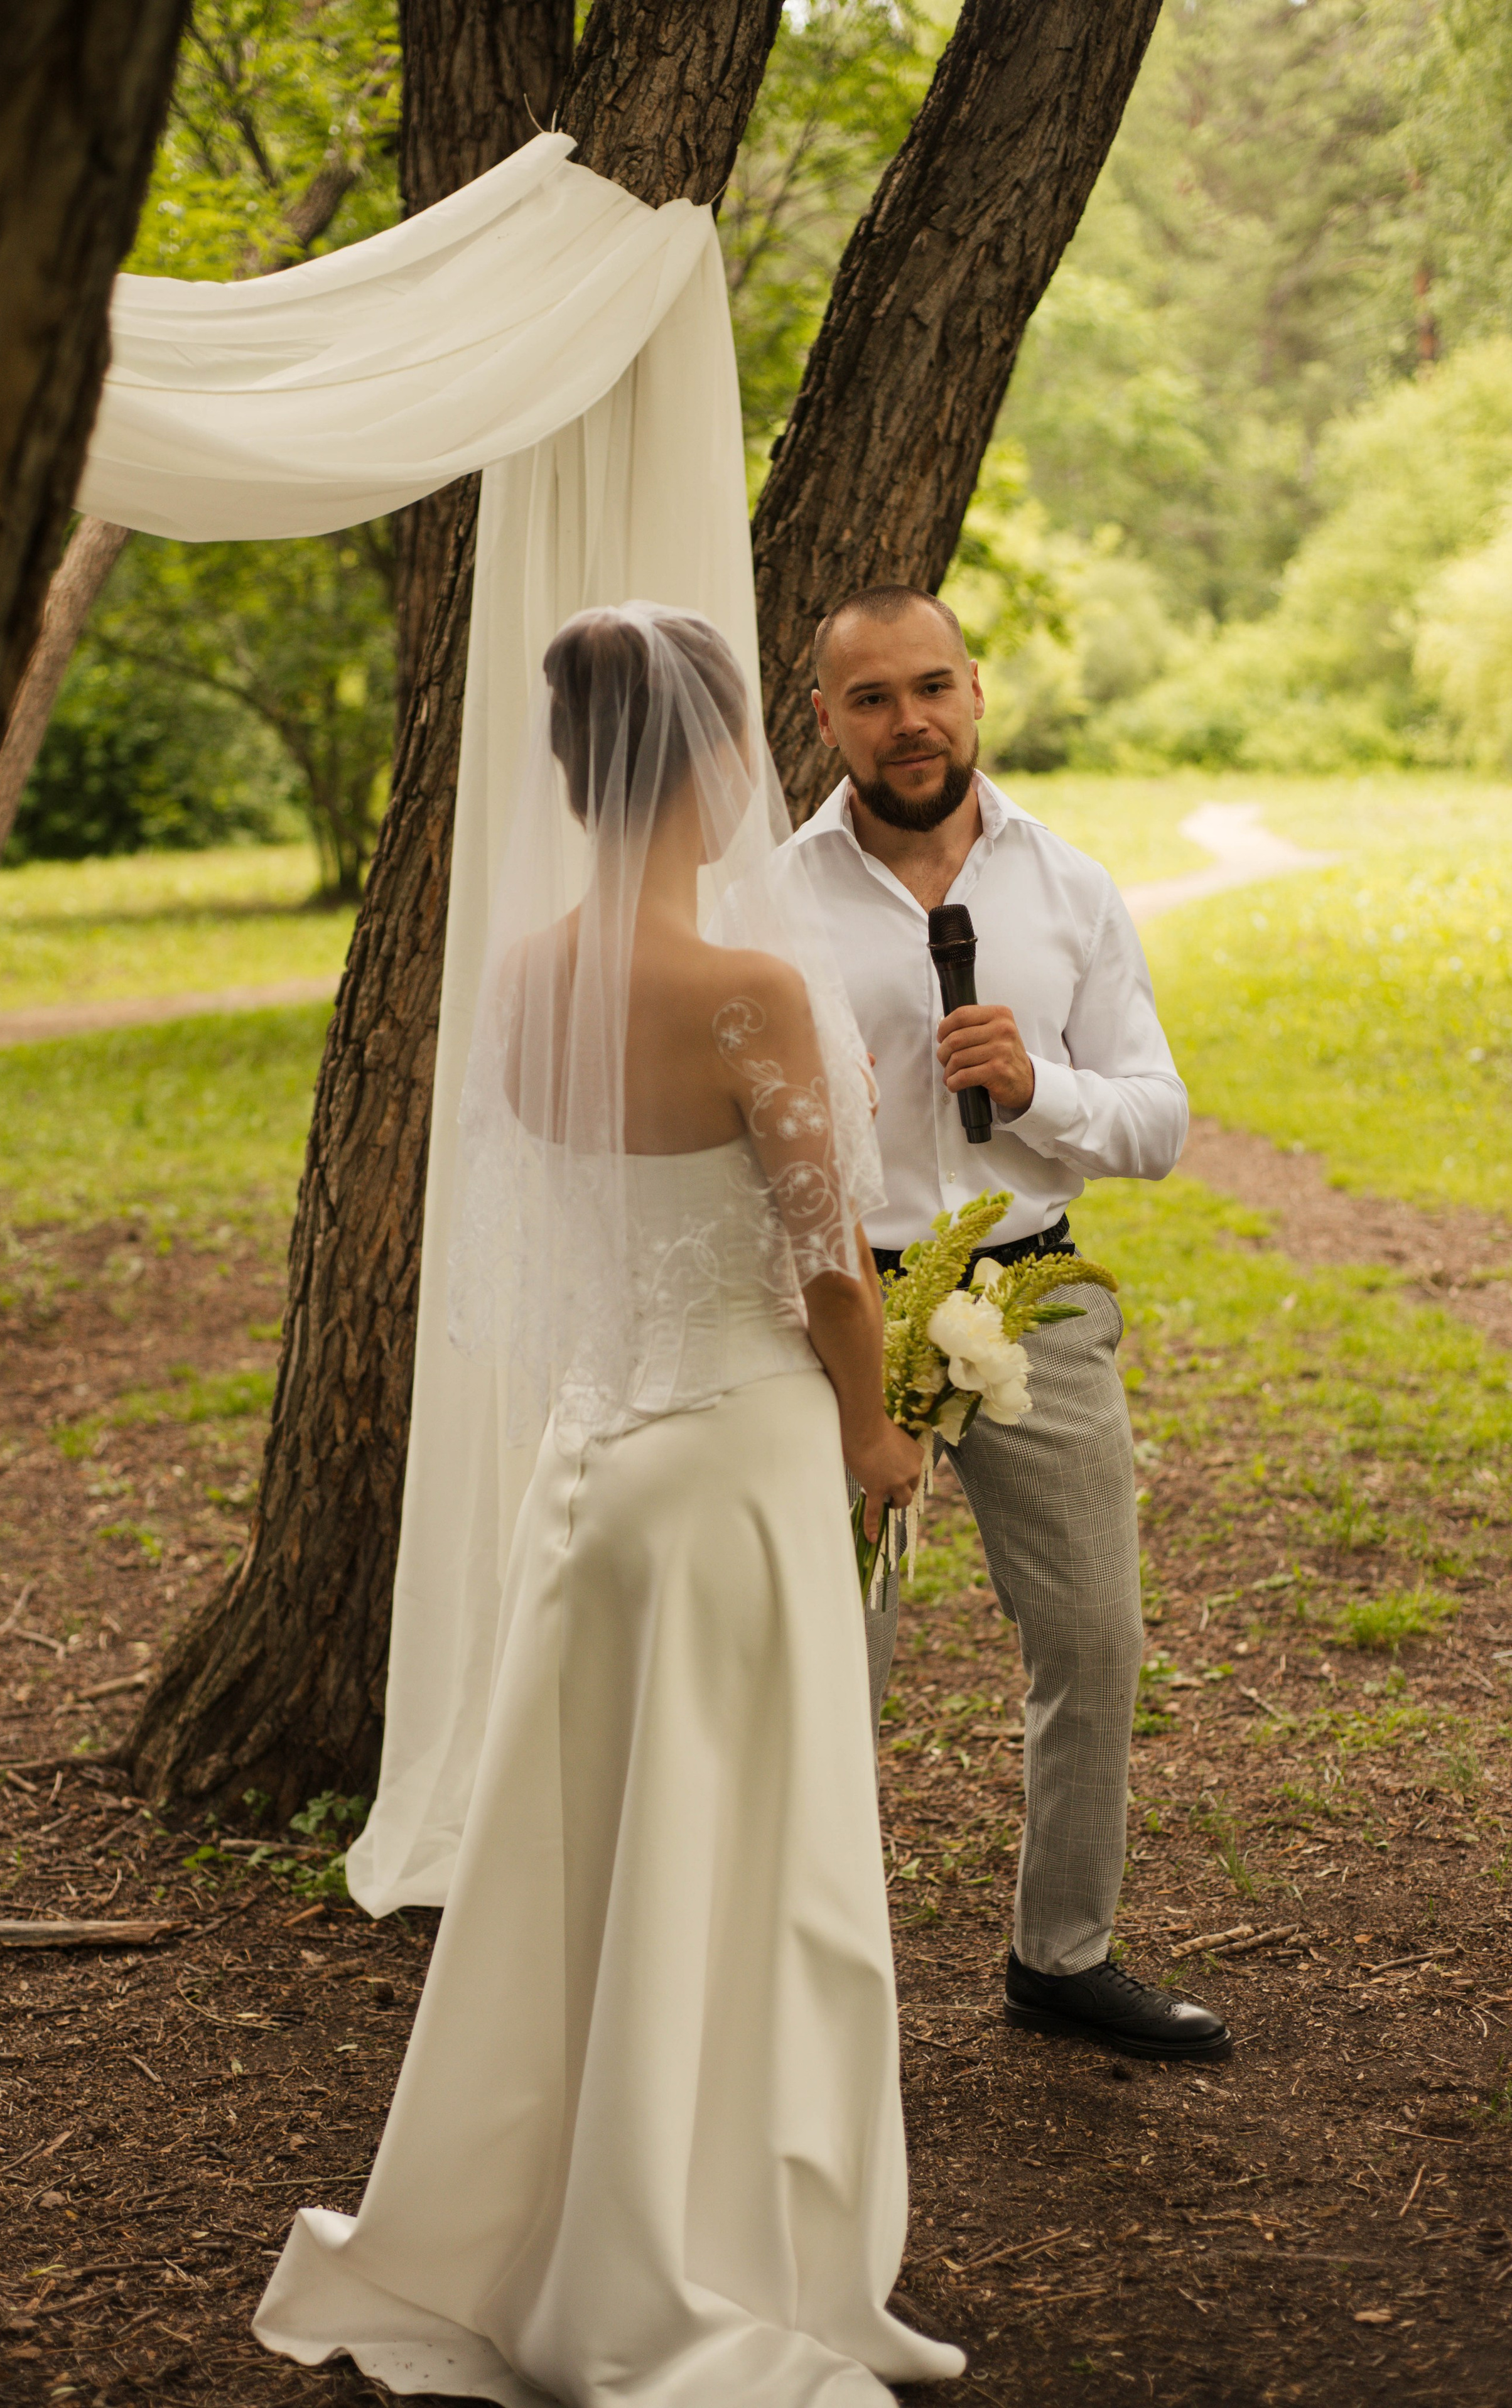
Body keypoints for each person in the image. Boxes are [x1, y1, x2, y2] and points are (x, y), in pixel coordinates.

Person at [253, 603, 967, 2405]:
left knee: (588, 1882)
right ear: (722, 758)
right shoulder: (750, 992)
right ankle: (719, 2251)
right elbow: (824, 1275)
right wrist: (878, 1439)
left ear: (573, 768)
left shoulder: (525, 980)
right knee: (761, 1874)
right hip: (730, 1466)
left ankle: (557, 2223)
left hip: (591, 1470)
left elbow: (584, 1228)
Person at [789, 582, 1230, 2066]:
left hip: (1033, 1300)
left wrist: (1044, 1089)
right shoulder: (771, 899)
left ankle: (1061, 1955)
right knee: (832, 1657)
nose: (907, 720)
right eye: (870, 697)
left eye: (931, 687)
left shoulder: (1067, 885)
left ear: (974, 694)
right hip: (846, 1319)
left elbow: (1159, 1118)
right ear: (826, 719)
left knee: (1092, 1638)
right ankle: (808, 1986)